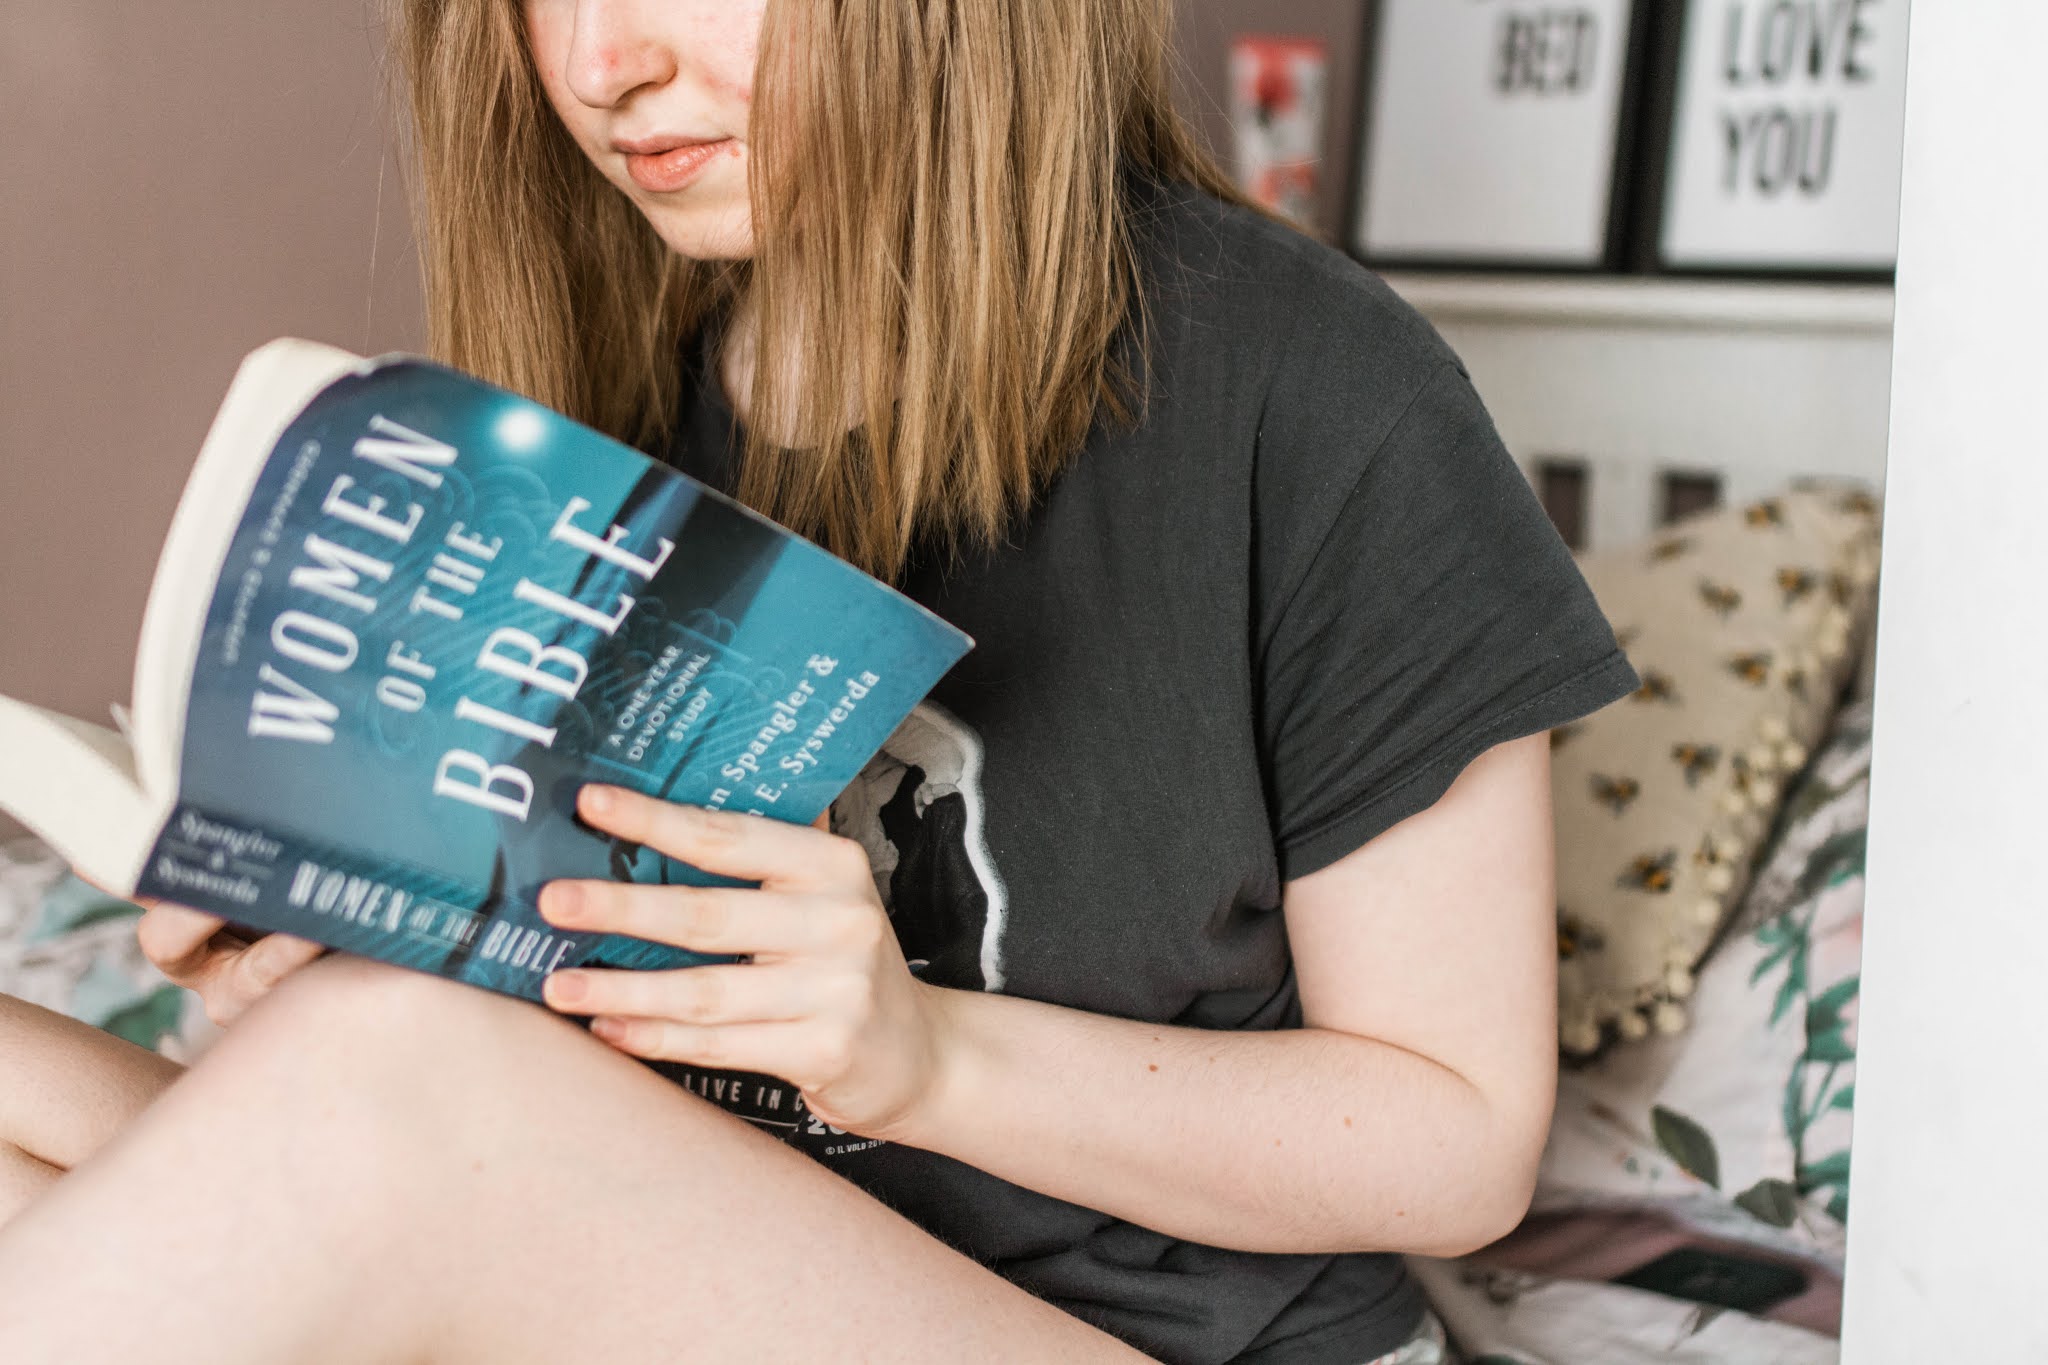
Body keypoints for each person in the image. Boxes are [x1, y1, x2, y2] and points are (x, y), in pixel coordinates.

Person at [0, 1, 1638, 1361]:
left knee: (389, 1080)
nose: (595, 67)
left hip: (1152, 1340)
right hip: (708, 1276)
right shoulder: (614, 414)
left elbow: (1460, 1139)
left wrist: (926, 1058)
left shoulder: (1311, 395)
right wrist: (341, 942)